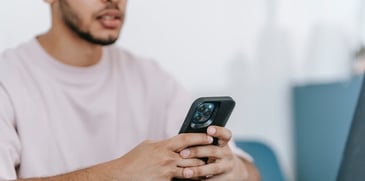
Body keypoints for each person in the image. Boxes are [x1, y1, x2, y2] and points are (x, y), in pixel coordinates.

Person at [0, 0, 260, 180]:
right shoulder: (8, 78)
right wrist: (117, 174)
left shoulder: (150, 77)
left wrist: (233, 170)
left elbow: (252, 172)